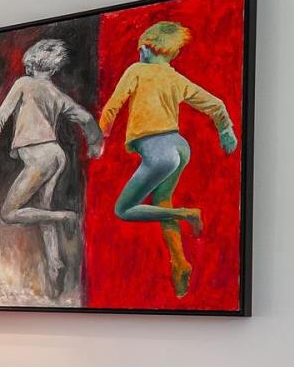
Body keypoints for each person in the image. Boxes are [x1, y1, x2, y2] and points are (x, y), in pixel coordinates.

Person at [97, 20, 238, 297]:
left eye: (140, 49)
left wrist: (100, 137)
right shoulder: (175, 78)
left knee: (123, 210)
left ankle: (186, 214)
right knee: (161, 201)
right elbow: (217, 105)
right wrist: (226, 131)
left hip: (158, 150)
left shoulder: (136, 70)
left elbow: (113, 106)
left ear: (146, 49)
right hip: (180, 147)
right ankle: (180, 261)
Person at [0, 38, 102, 297]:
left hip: (39, 157)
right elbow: (86, 117)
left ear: (30, 64)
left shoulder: (23, 84)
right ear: (53, 68)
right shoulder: (55, 92)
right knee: (42, 210)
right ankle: (54, 262)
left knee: (9, 213)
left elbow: (1, 115)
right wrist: (95, 144)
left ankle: (65, 217)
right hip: (56, 155)